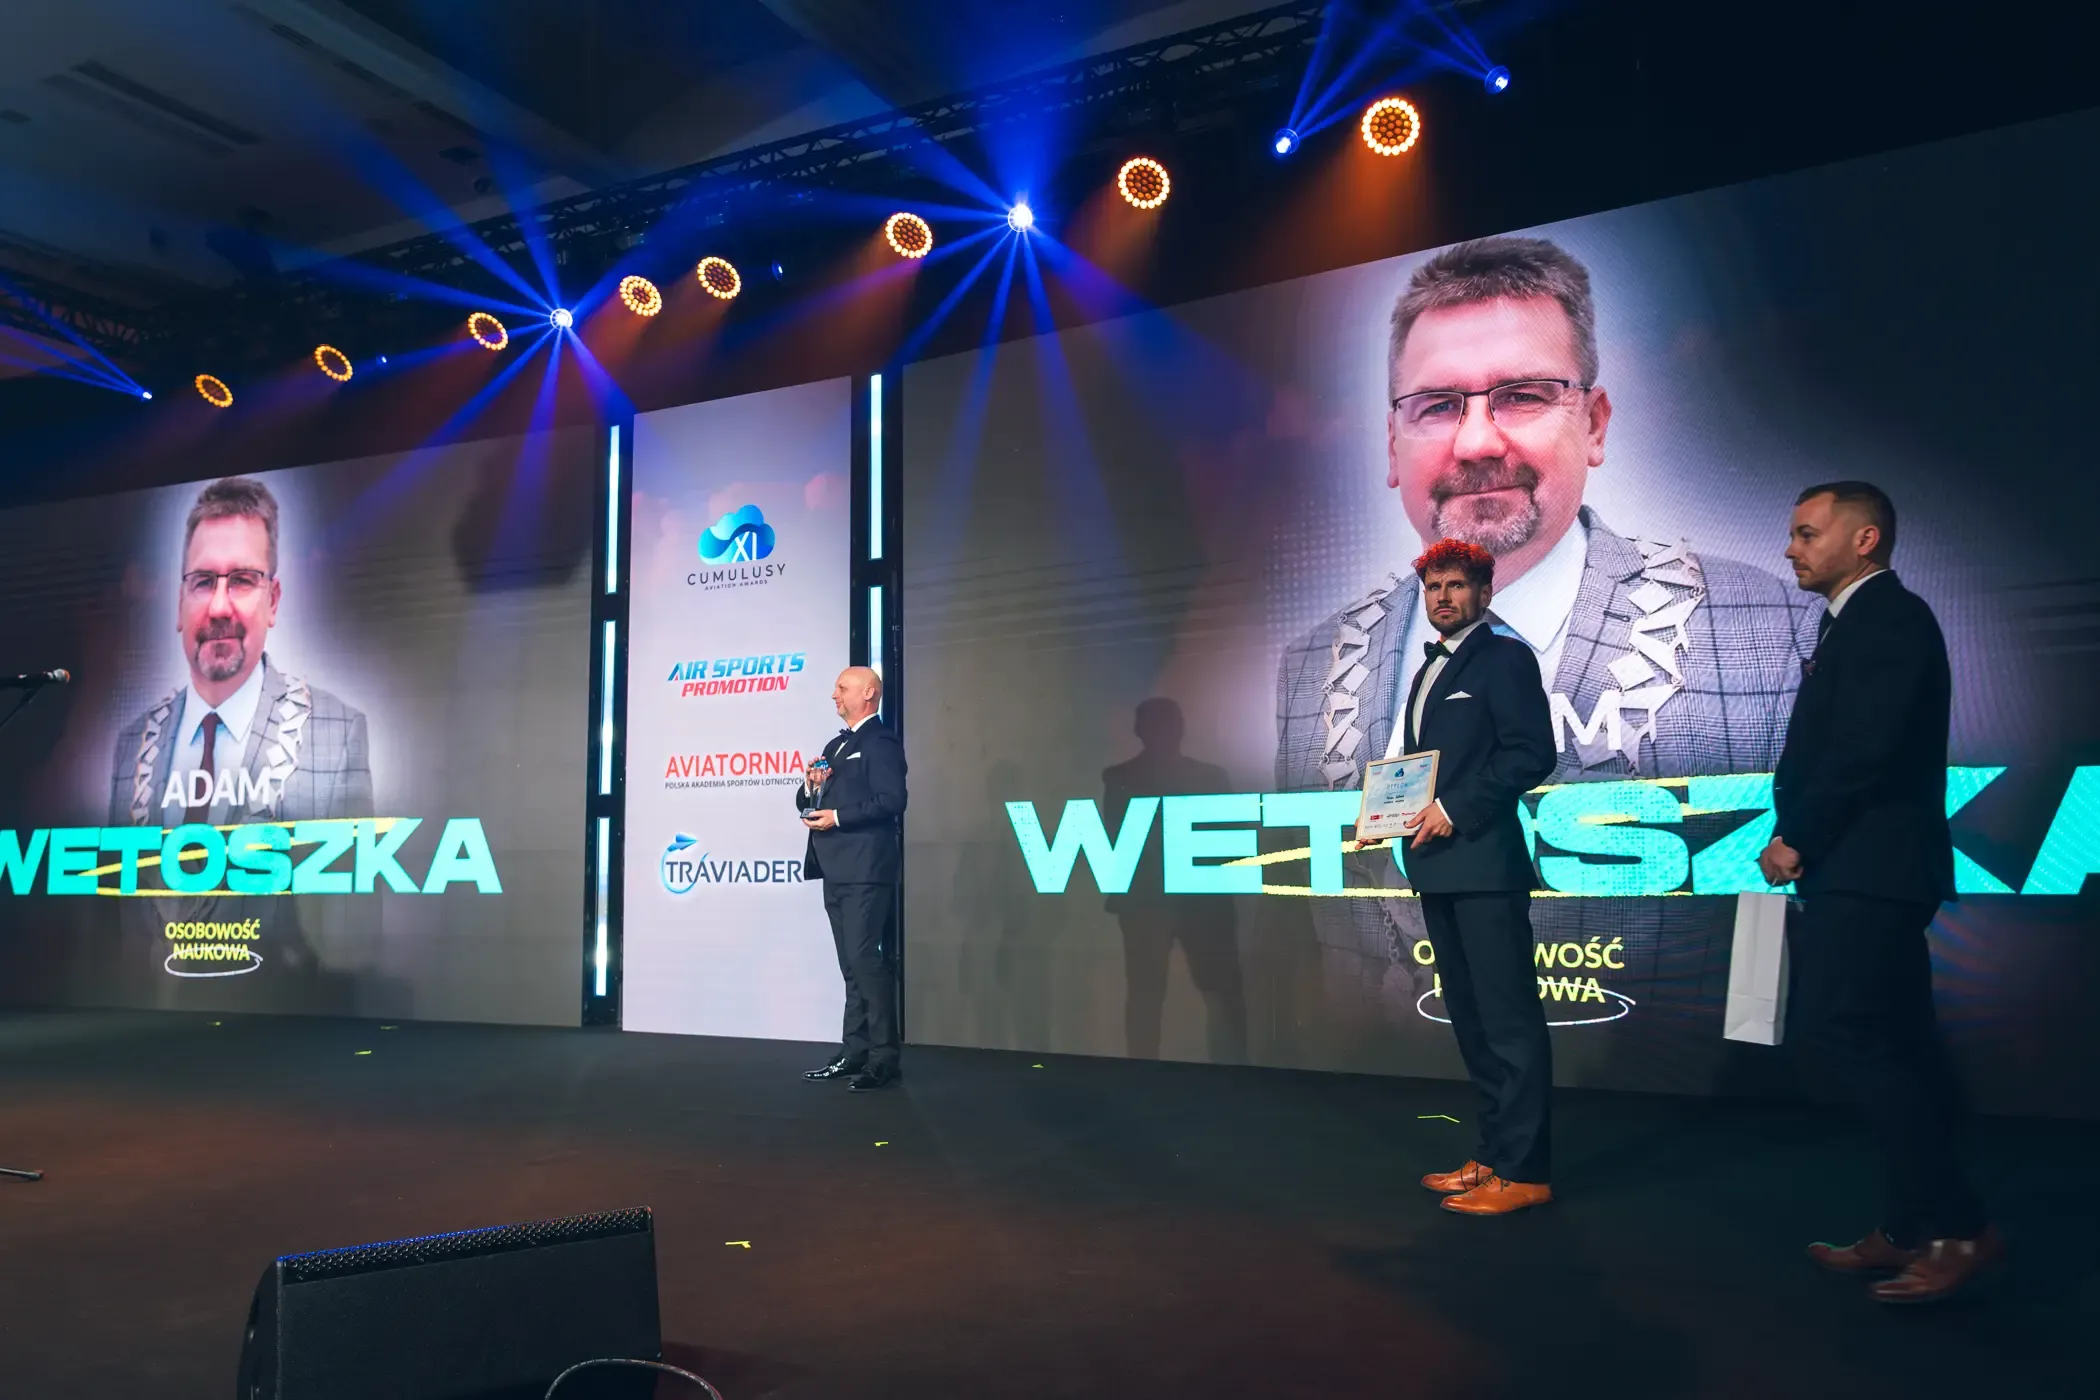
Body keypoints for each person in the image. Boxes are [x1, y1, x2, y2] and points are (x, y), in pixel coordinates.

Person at [1275, 234, 1820, 1030]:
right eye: (1438, 406)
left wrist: (1747, 1041)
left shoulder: (1770, 630)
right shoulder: (1309, 667)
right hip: (1385, 1057)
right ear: (1393, 446)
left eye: (1522, 395)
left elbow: (1770, 929)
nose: (1476, 442)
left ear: (1594, 424)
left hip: (1670, 1068)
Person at [1761, 482, 1998, 1303]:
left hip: (1872, 871)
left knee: (1854, 1036)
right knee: (1893, 1045)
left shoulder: (1889, 618)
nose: (1790, 548)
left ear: (1864, 540)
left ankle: (1958, 1227)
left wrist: (1798, 837)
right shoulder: (1859, 621)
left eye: (1807, 533)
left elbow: (1864, 750)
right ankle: (1909, 1228)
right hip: (1866, 871)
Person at [1384, 540, 1558, 1215]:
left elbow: (1530, 754)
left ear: (1485, 592)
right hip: (1437, 868)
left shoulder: (1506, 658)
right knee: (1473, 1021)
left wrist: (1455, 809)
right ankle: (1493, 1154)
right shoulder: (1428, 670)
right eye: (1433, 587)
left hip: (1485, 866)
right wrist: (1385, 816)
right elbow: (1422, 771)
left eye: (1456, 585)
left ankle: (1526, 1170)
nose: (1444, 597)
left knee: (1509, 1022)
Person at [1101, 698, 1247, 1063]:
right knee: (1167, 997)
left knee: (1159, 997)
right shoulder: (1208, 778)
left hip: (1176, 904)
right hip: (1177, 904)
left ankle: (1156, 1073)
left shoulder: (1122, 778)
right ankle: (1229, 1072)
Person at [797, 666, 909, 1092]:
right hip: (835, 868)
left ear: (869, 693)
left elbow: (892, 800)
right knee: (851, 965)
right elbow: (809, 798)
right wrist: (811, 787)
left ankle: (883, 1058)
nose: (834, 695)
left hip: (866, 869)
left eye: (842, 688)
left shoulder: (880, 742)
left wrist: (839, 817)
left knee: (864, 960)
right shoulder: (836, 745)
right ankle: (854, 1051)